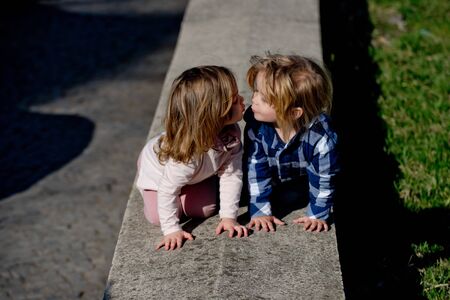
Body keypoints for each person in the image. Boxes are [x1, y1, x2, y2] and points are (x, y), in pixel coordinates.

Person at [136, 66, 248, 251]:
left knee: (206, 209)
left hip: (195, 174)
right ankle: (150, 193)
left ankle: (188, 186)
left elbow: (231, 175)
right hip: (158, 172)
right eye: (235, 100)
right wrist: (171, 230)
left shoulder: (232, 134)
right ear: (216, 112)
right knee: (157, 217)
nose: (243, 100)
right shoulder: (186, 154)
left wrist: (229, 217)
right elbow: (167, 190)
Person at [244, 54, 339, 233]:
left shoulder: (320, 139)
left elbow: (324, 178)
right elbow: (256, 168)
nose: (254, 99)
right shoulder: (257, 128)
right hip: (272, 180)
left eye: (263, 99)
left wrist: (317, 214)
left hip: (302, 183)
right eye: (255, 91)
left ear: (294, 113)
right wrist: (260, 210)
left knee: (293, 197)